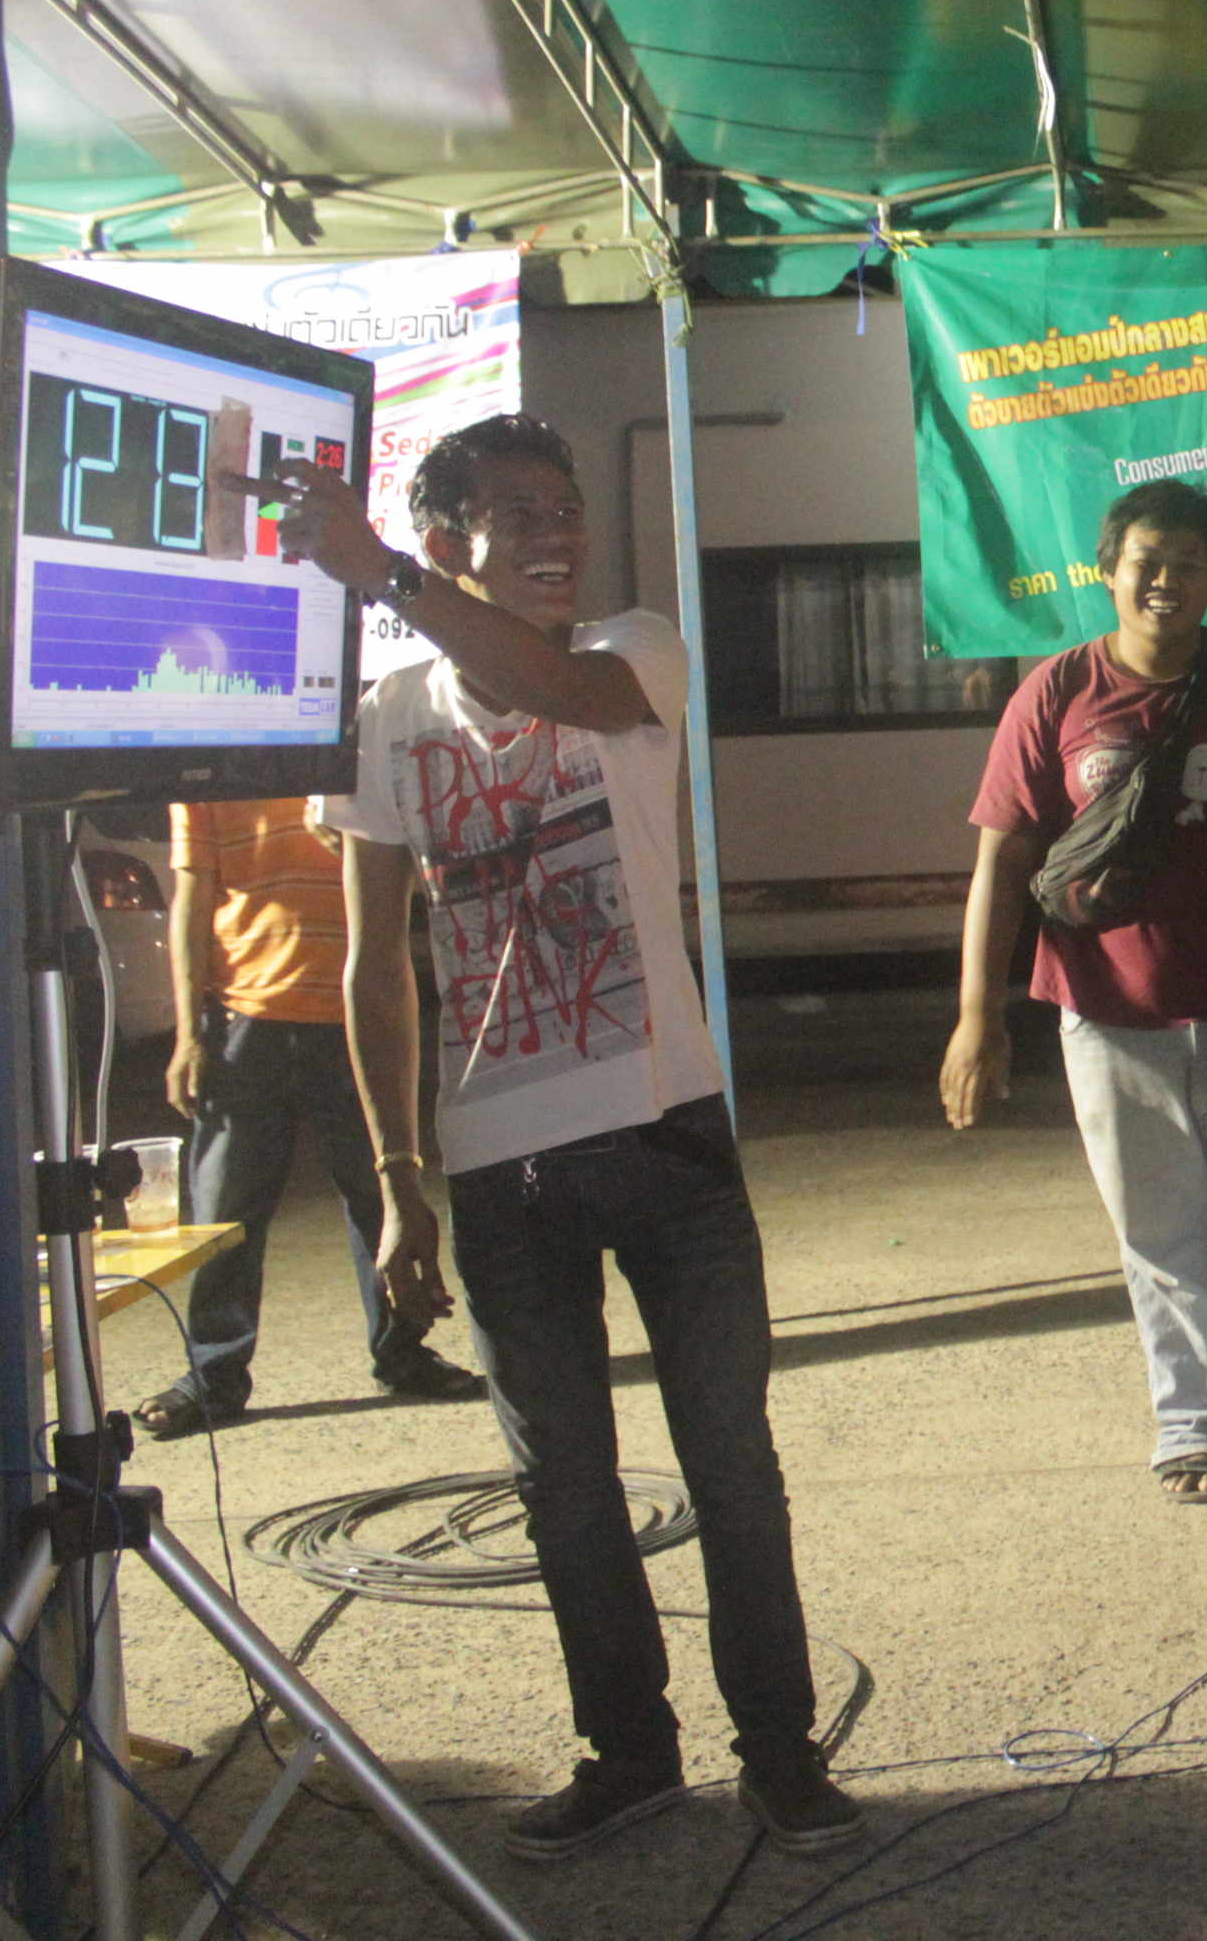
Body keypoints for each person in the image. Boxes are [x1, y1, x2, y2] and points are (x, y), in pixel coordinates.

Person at [255, 415, 858, 1860]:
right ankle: (628, 1754)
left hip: (668, 1137)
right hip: (497, 1173)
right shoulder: (391, 716)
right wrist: (397, 1182)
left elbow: (546, 683)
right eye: (517, 510)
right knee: (564, 1491)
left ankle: (780, 1754)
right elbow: (376, 966)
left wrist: (381, 572)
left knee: (730, 1465)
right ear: (450, 534)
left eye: (566, 507)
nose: (557, 532)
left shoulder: (633, 651)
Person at [938, 479, 1207, 1528]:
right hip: (1107, 1022)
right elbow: (1003, 861)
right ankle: (1193, 1428)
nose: (1165, 580)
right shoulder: (1055, 691)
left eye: (1188, 563)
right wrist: (977, 1015)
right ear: (1109, 571)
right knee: (1163, 1238)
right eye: (1147, 561)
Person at [137, 798, 487, 1437]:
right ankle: (213, 1374)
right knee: (225, 1211)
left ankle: (402, 1352)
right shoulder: (215, 770)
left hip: (358, 1015)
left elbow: (419, 874)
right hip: (242, 1017)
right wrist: (187, 1033)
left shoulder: (353, 764)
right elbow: (193, 897)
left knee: (381, 1195)